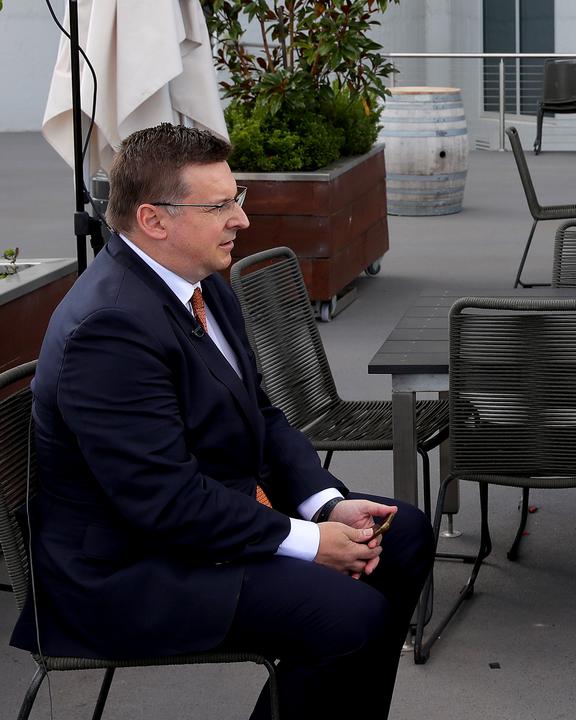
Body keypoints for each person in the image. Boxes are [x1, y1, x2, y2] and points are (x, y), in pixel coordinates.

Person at [10, 123, 433, 720]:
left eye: (238, 198)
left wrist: (323, 506)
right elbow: (163, 503)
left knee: (405, 535)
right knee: (349, 616)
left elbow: (261, 411)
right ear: (154, 220)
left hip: (201, 521)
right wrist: (311, 546)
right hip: (125, 572)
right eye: (220, 205)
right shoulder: (108, 329)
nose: (241, 219)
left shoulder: (201, 282)